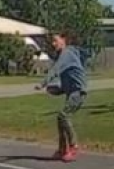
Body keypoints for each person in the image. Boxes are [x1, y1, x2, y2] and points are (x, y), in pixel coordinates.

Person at [35, 32, 87, 162]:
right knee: (60, 119)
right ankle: (63, 149)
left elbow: (55, 70)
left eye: (55, 41)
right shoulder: (65, 56)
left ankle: (74, 146)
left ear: (64, 40)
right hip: (72, 91)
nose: (53, 44)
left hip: (78, 92)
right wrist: (58, 90)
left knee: (63, 115)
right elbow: (68, 80)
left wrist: (42, 83)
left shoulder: (67, 53)